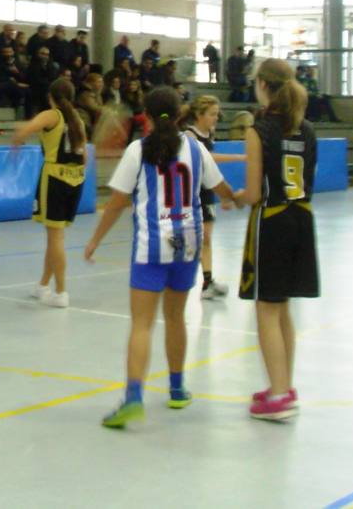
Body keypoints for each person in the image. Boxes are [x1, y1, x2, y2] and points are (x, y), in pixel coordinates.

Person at [84, 86, 242, 429]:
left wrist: (95, 240)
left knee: (142, 324)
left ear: (148, 117)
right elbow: (221, 188)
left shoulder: (138, 150)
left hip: (151, 246)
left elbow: (117, 202)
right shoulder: (196, 149)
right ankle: (177, 388)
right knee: (175, 318)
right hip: (188, 245)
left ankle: (133, 397)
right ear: (181, 113)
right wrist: (235, 198)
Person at [239, 58, 319, 422]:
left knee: (267, 309)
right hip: (302, 219)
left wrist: (235, 196)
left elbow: (254, 192)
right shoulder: (307, 129)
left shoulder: (259, 129)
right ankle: (283, 385)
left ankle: (278, 396)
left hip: (271, 221)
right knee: (282, 307)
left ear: (262, 85)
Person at [12, 78, 87, 309]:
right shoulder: (77, 120)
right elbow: (84, 155)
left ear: (50, 96)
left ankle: (61, 292)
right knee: (55, 236)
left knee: (56, 238)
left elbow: (25, 130)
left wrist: (17, 139)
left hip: (55, 177)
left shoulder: (52, 115)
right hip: (76, 178)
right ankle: (43, 285)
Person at [183, 96, 246, 300]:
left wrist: (224, 198)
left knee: (207, 238)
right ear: (199, 115)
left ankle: (207, 282)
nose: (216, 118)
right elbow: (206, 159)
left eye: (217, 114)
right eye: (212, 114)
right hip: (191, 193)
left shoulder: (209, 133)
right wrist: (238, 157)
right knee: (195, 240)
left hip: (207, 190)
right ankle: (182, 279)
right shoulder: (189, 135)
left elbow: (210, 169)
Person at [26, 45, 60, 117]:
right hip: (36, 88)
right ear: (38, 54)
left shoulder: (51, 65)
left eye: (47, 54)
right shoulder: (33, 65)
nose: (45, 56)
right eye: (43, 54)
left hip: (47, 87)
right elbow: (35, 79)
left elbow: (53, 78)